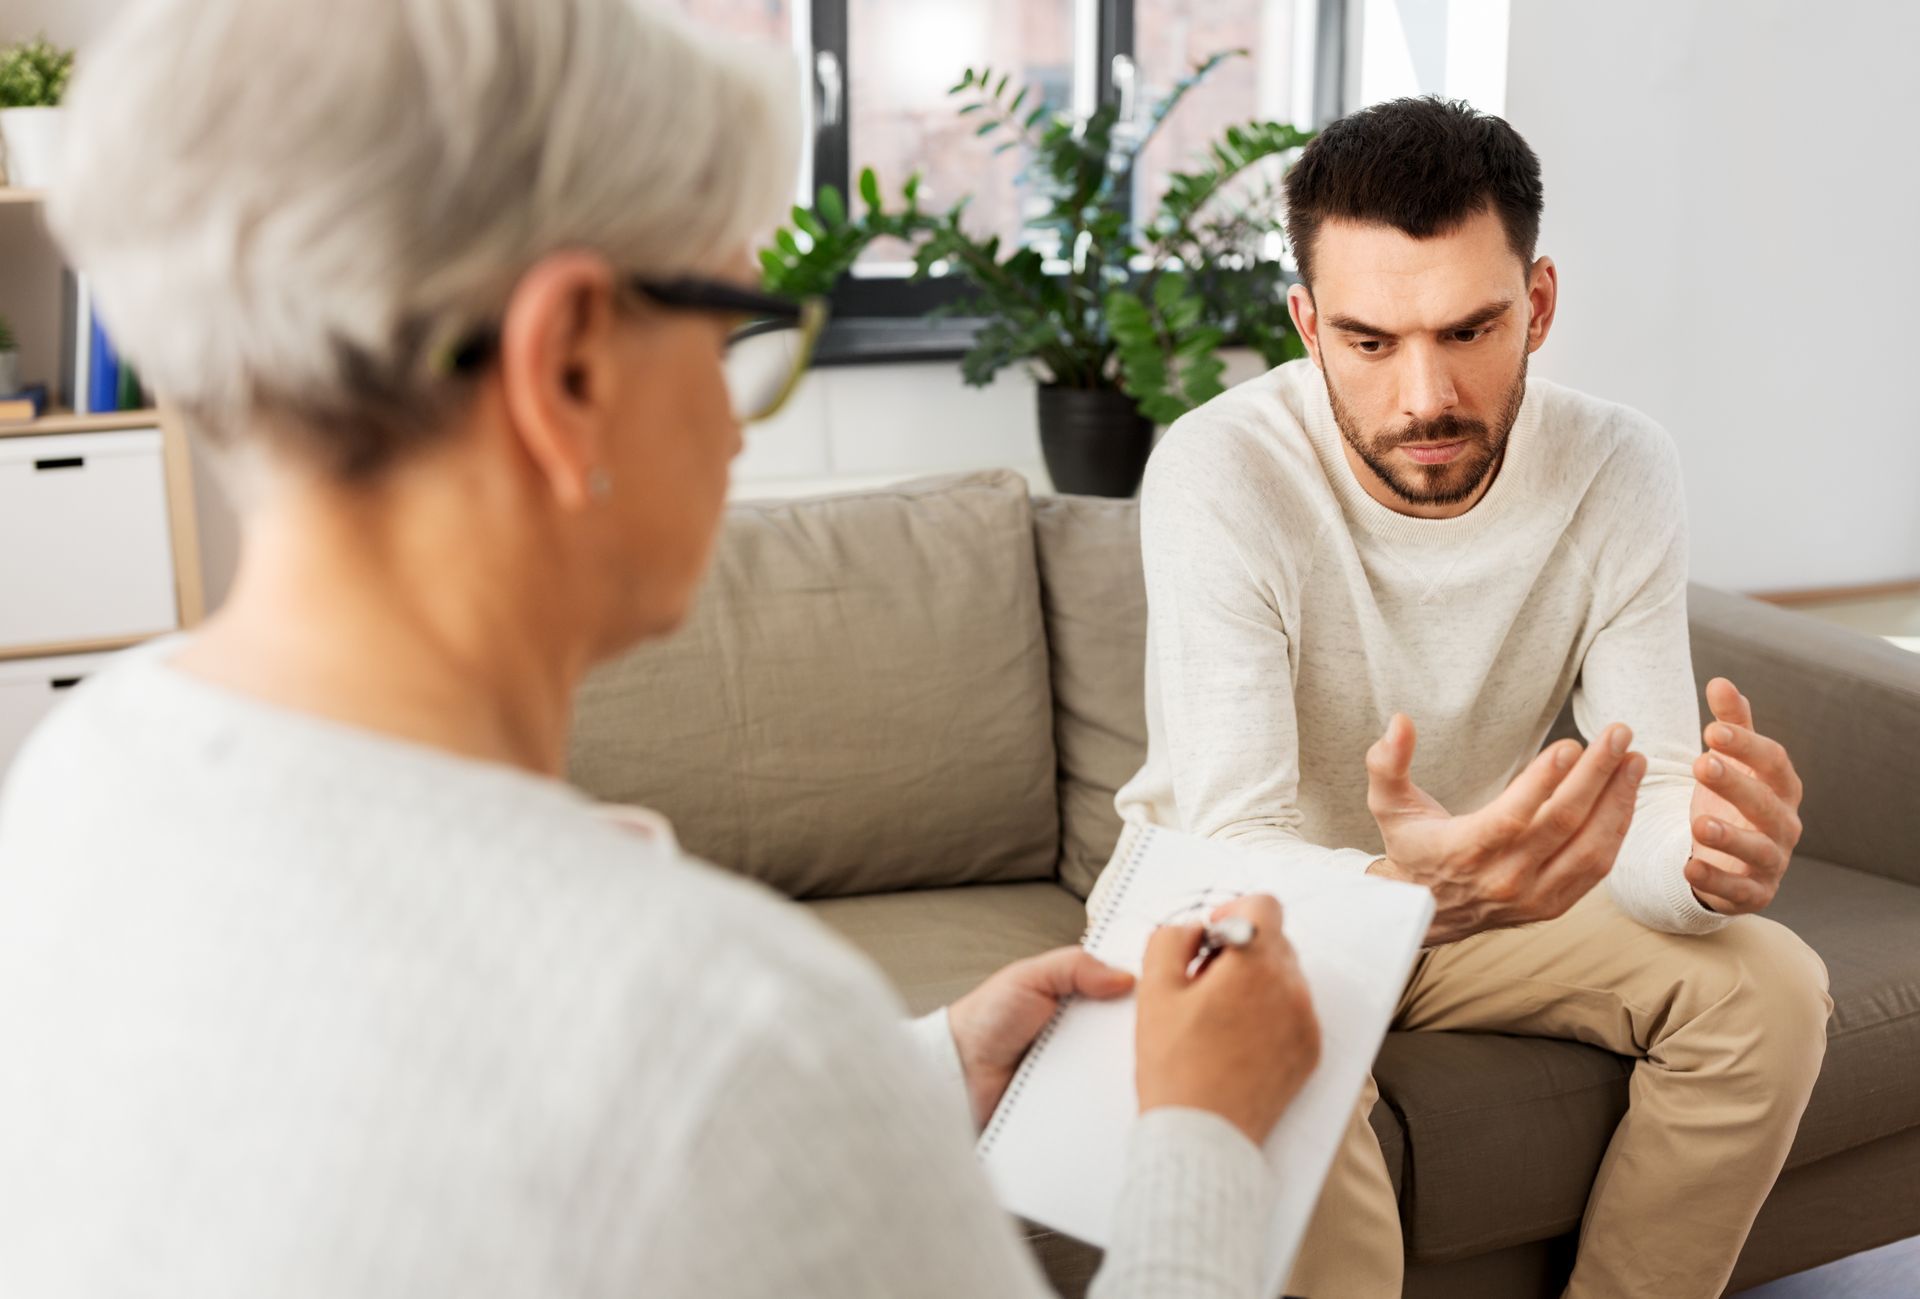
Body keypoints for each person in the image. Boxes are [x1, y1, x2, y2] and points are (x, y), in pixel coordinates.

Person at [0, 1, 1324, 1295]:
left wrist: (918, 1071)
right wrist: (1203, 1130)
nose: (737, 423)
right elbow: (666, 1091)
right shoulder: (722, 1028)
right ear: (570, 366)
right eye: (731, 328)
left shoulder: (79, 772)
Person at [1116, 94, 1833, 1298]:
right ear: (1305, 324)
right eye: (1369, 341)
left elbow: (1650, 784)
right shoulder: (1218, 470)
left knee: (1771, 984)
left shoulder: (1618, 464)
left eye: (1470, 328)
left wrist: (1705, 862)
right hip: (1236, 917)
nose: (1424, 400)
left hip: (1474, 901)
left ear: (1538, 305)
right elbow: (1236, 843)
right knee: (1288, 1087)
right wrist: (1413, 890)